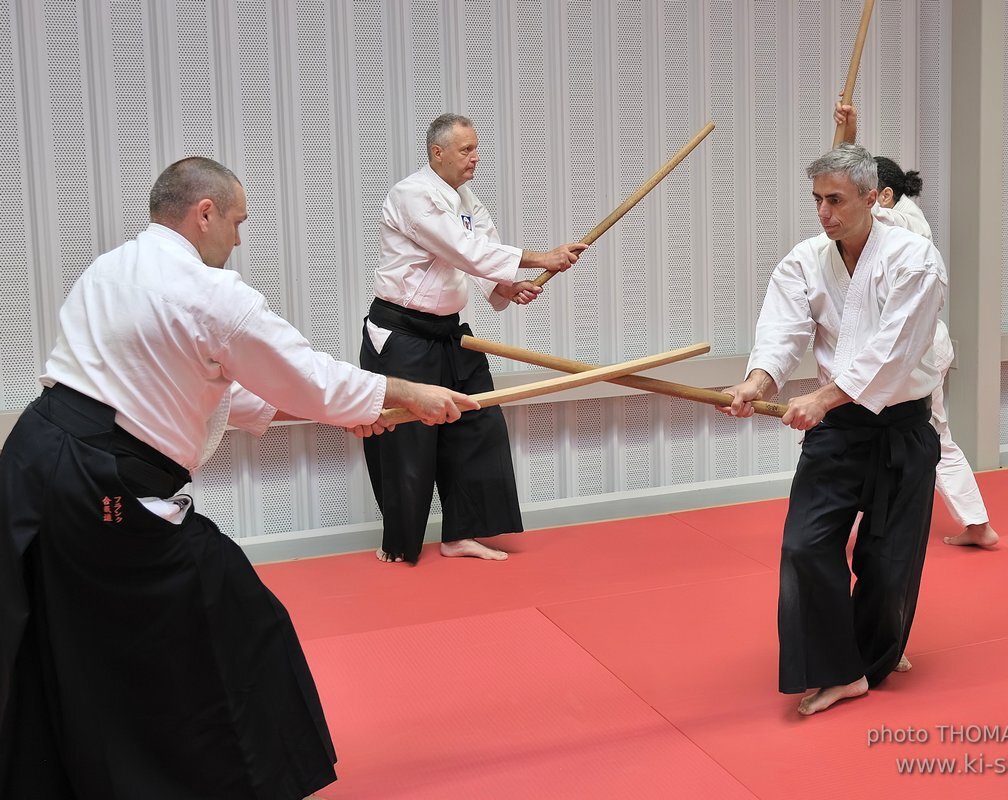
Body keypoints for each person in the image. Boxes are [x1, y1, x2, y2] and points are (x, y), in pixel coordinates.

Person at [0, 156, 476, 799]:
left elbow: (206, 384)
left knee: (73, 638)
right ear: (204, 214)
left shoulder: (111, 268)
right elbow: (304, 373)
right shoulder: (212, 294)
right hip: (100, 488)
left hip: (36, 463)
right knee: (235, 620)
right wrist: (404, 393)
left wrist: (352, 413)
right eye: (237, 220)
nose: (239, 237)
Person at [723, 143, 946, 715]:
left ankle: (875, 654)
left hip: (900, 425)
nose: (824, 213)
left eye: (837, 200)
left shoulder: (914, 259)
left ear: (874, 199)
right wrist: (758, 382)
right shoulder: (805, 260)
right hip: (837, 430)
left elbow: (894, 349)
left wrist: (823, 396)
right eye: (818, 200)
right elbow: (782, 329)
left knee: (887, 560)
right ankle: (838, 670)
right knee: (805, 544)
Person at [362, 113, 588, 564]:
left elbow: (482, 250)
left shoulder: (466, 198)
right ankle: (399, 543)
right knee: (409, 440)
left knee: (478, 424)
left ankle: (462, 534)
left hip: (449, 332)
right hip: (402, 334)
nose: (474, 158)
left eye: (475, 149)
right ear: (437, 152)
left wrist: (504, 287)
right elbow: (460, 249)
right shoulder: (411, 195)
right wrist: (542, 256)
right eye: (466, 150)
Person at [835, 103, 1000, 548]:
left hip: (914, 351)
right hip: (914, 348)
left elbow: (855, 202)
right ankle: (975, 522)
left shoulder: (900, 222)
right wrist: (850, 136)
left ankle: (974, 523)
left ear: (881, 196)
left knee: (926, 434)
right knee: (918, 432)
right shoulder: (900, 216)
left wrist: (849, 141)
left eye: (866, 194)